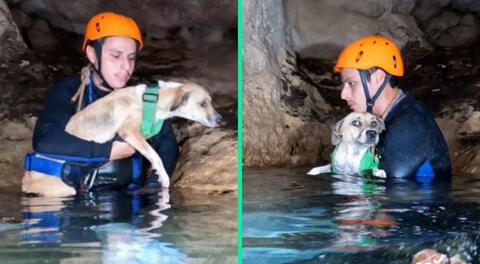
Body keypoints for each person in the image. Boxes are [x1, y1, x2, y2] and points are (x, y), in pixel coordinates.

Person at [26, 12, 179, 192]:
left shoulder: (142, 100)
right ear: (92, 54)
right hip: (75, 203)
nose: (126, 66)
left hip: (125, 203)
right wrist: (108, 152)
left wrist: (154, 191)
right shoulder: (70, 90)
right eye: (116, 56)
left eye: (131, 58)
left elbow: (168, 147)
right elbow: (46, 141)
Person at [334, 35, 451, 180]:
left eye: (351, 83)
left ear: (378, 77)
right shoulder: (401, 111)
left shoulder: (407, 127)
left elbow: (393, 194)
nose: (343, 94)